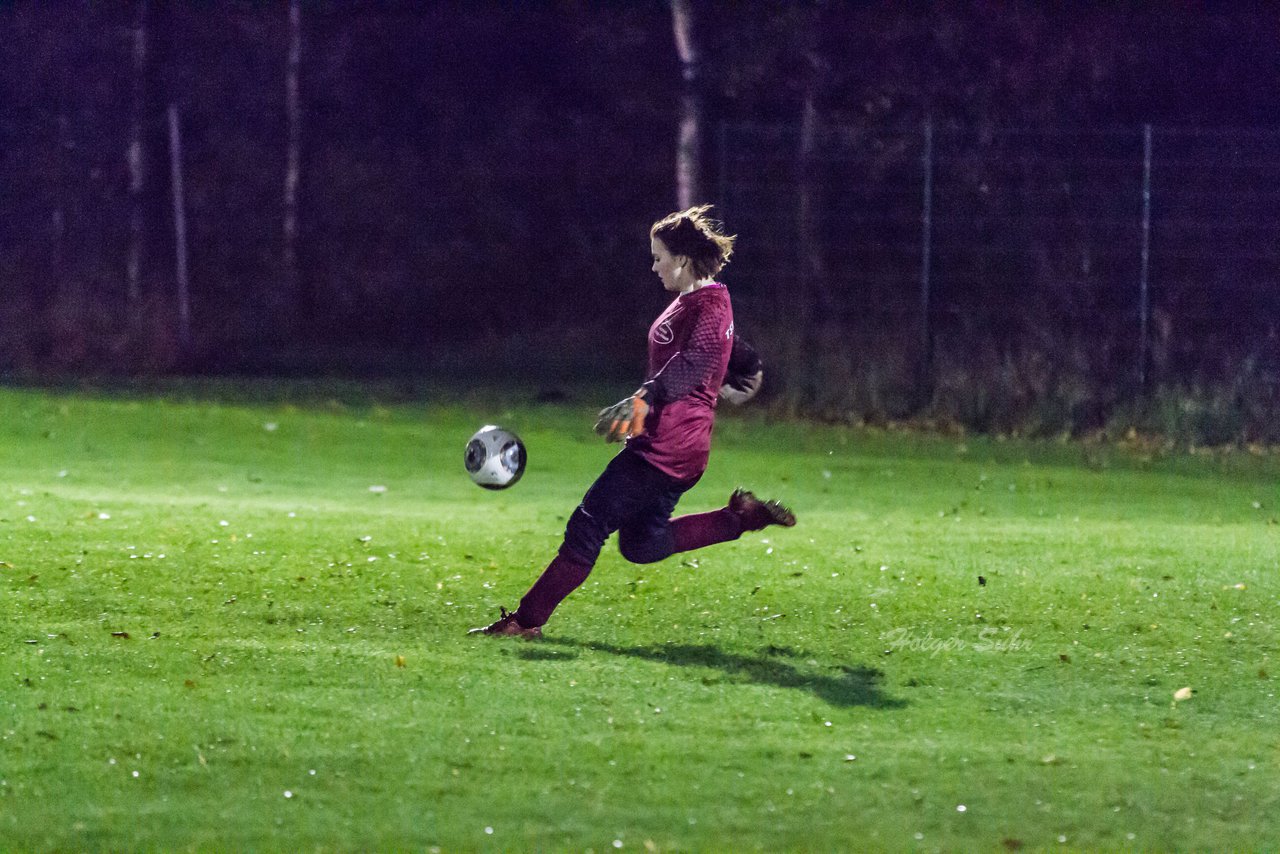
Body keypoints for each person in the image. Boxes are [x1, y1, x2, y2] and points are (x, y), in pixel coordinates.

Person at [470, 205, 795, 638]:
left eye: (659, 256)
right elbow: (718, 350)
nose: (654, 265)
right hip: (673, 448)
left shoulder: (712, 304)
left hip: (666, 448)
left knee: (588, 524)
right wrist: (743, 366)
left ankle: (525, 622)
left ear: (681, 259)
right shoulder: (696, 303)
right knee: (641, 544)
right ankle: (740, 518)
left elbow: (697, 358)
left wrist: (647, 396)